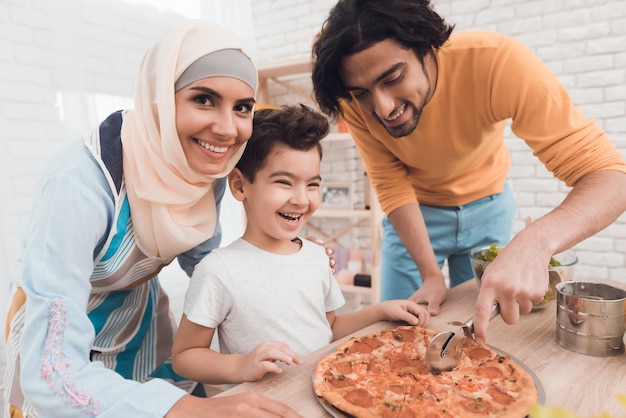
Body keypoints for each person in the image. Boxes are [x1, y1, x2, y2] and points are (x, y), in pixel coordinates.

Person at [2, 19, 303, 418]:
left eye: (242, 107)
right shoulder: (78, 183)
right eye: (204, 99)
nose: (227, 129)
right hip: (58, 329)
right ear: (161, 96)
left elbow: (203, 263)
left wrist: (285, 270)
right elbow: (53, 370)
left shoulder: (200, 167)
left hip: (137, 319)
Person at [310, 0, 626, 344]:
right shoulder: (355, 103)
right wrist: (430, 274)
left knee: (481, 337)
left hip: (489, 209)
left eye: (393, 78)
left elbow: (611, 176)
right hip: (415, 215)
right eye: (362, 93)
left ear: (427, 47)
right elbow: (390, 183)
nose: (383, 107)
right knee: (395, 337)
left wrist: (536, 243)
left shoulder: (496, 61)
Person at [170, 105, 430, 385]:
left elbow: (328, 327)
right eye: (284, 182)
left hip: (325, 392)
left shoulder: (317, 255)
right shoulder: (218, 270)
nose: (301, 199)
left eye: (312, 185)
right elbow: (185, 356)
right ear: (239, 186)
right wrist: (241, 365)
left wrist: (380, 311)